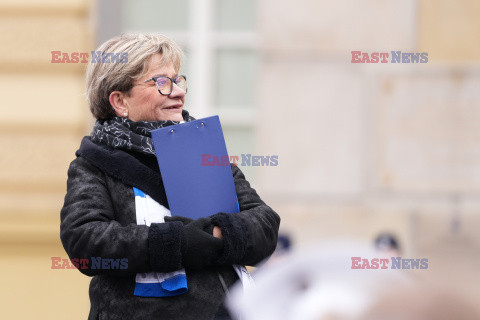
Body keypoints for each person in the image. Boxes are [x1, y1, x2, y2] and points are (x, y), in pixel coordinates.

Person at [59, 33, 280, 320]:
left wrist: (215, 235)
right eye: (160, 82)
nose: (177, 92)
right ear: (119, 101)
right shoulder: (95, 162)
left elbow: (265, 225)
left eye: (177, 80)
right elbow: (85, 242)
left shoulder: (202, 145)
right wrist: (176, 242)